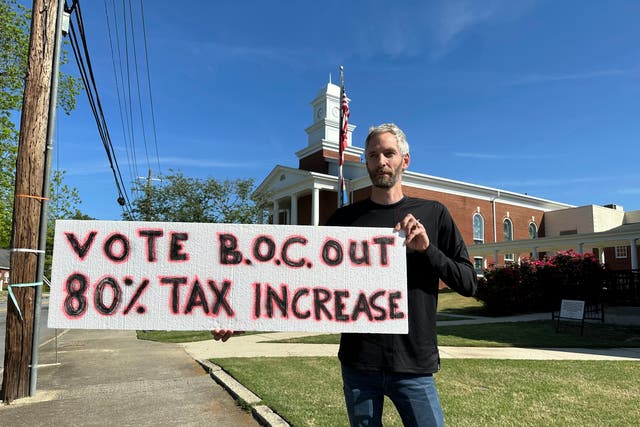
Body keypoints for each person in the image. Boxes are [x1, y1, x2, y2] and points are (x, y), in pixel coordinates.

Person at [214, 123, 477, 426]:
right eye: (373, 155)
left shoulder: (434, 213)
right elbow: (301, 281)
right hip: (359, 364)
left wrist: (428, 251)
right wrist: (242, 317)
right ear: (365, 162)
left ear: (405, 160)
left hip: (413, 364)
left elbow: (468, 282)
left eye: (389, 153)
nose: (381, 161)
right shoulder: (343, 220)